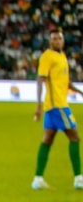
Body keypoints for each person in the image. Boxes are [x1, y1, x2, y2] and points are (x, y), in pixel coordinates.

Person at [32, 29, 82, 190]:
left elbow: (66, 83)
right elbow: (40, 80)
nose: (58, 41)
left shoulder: (62, 57)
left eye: (59, 39)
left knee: (47, 140)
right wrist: (38, 106)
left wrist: (80, 92)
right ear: (50, 41)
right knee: (75, 137)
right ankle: (79, 178)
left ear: (63, 40)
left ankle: (38, 179)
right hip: (57, 106)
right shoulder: (47, 56)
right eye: (54, 39)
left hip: (55, 106)